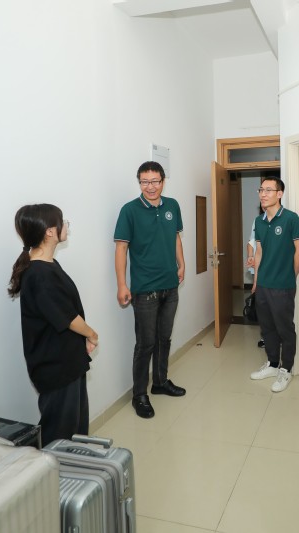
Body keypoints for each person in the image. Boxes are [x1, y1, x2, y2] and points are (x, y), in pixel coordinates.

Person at [8, 204, 98, 445]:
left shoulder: (48, 265)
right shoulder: (39, 274)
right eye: (62, 221)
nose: (66, 225)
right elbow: (67, 317)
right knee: (59, 435)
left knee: (76, 430)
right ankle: (54, 470)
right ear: (49, 231)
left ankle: (76, 467)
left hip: (68, 360)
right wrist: (92, 334)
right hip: (56, 367)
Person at [114, 161, 186, 419]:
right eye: (145, 182)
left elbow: (175, 237)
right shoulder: (129, 210)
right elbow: (121, 248)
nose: (151, 187)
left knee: (164, 339)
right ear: (140, 183)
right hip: (144, 289)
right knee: (145, 344)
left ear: (163, 181)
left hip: (170, 286)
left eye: (155, 181)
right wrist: (122, 284)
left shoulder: (172, 205)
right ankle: (139, 395)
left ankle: (160, 382)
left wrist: (181, 264)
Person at [250, 176, 299, 392]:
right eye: (261, 190)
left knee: (285, 329)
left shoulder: (291, 219)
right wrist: (256, 280)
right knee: (267, 328)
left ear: (279, 194)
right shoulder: (259, 221)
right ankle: (273, 364)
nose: (263, 194)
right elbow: (259, 252)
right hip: (263, 285)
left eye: (268, 190)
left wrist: (289, 276)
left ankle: (286, 369)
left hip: (283, 286)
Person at [245, 205, 265, 347]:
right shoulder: (258, 221)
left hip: (274, 271)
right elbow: (251, 242)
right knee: (262, 306)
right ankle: (265, 337)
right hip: (259, 270)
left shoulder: (287, 219)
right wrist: (250, 256)